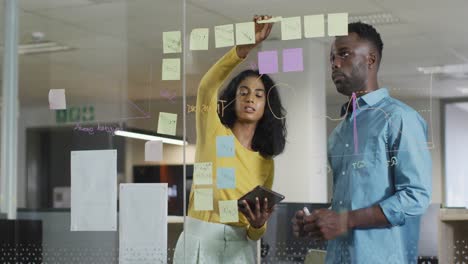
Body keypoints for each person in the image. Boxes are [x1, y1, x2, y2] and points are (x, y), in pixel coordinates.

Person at [292, 22, 432, 263]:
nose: (335, 64)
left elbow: (415, 196)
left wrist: (345, 220)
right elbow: (348, 207)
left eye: (344, 54)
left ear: (371, 59)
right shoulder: (340, 133)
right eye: (332, 58)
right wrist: (319, 224)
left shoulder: (399, 118)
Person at [174, 15, 286, 264]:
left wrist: (259, 226)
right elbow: (206, 87)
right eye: (243, 92)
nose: (249, 99)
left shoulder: (265, 161)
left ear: (266, 107)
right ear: (233, 99)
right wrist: (241, 51)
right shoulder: (214, 132)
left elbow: (254, 231)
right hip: (199, 243)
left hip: (239, 250)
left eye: (258, 95)